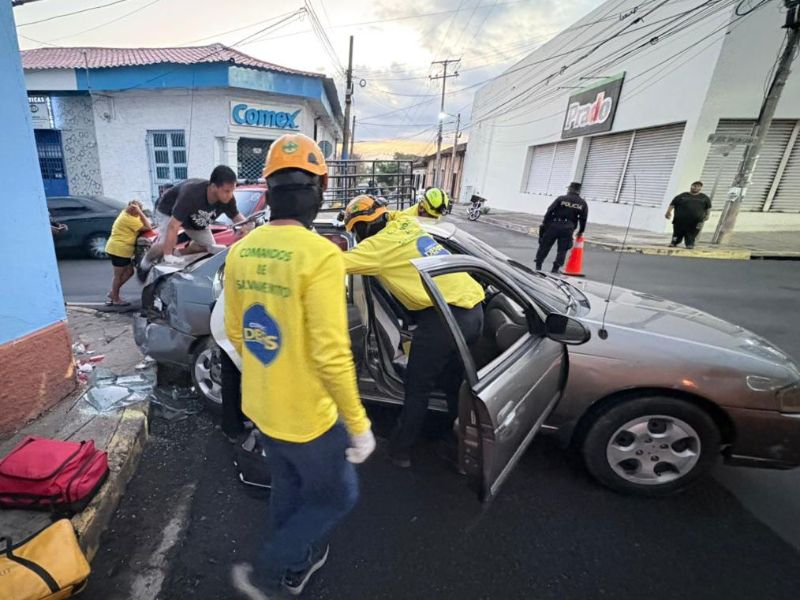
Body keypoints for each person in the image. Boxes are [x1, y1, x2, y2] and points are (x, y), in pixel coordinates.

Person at [227, 133, 375, 599]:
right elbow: (331, 353)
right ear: (320, 190)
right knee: (337, 495)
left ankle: (297, 561)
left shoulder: (240, 250)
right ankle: (270, 571)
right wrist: (359, 423)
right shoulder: (322, 255)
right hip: (310, 418)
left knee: (288, 486)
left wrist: (274, 369)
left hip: (265, 407)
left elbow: (236, 333)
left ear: (269, 192)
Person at [342, 195, 485, 468]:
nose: (358, 238)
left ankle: (400, 451)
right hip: (473, 312)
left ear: (364, 227)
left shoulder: (377, 247)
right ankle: (454, 440)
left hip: (444, 318)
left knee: (417, 388)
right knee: (453, 381)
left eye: (357, 231)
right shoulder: (404, 222)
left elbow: (331, 264)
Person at [140, 166, 245, 274]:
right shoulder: (191, 194)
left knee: (210, 248)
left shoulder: (229, 199)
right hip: (169, 211)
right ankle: (146, 260)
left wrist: (249, 227)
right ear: (213, 186)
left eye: (233, 191)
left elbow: (237, 217)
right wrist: (168, 255)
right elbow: (173, 226)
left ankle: (178, 253)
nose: (230, 195)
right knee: (166, 243)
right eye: (227, 191)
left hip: (195, 218)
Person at [104, 200, 151, 306]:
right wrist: (140, 212)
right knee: (118, 276)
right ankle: (115, 298)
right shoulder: (128, 218)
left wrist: (139, 212)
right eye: (134, 209)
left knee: (129, 272)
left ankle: (113, 293)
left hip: (122, 249)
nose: (135, 211)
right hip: (118, 249)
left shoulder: (127, 214)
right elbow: (148, 226)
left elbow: (146, 224)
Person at [535, 182, 588, 273]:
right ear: (579, 191)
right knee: (562, 250)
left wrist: (545, 223)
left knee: (545, 246)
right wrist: (581, 231)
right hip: (568, 228)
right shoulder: (582, 203)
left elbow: (550, 210)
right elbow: (583, 219)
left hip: (554, 225)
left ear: (569, 189)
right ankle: (555, 268)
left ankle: (538, 266)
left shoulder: (561, 199)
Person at [666, 181, 712, 249]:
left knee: (692, 234)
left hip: (696, 221)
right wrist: (668, 212)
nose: (696, 188)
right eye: (694, 186)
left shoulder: (704, 197)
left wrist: (707, 215)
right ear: (691, 186)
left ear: (701, 188)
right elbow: (672, 204)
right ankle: (674, 242)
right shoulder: (682, 195)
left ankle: (689, 244)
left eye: (698, 186)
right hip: (680, 220)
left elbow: (708, 207)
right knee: (677, 233)